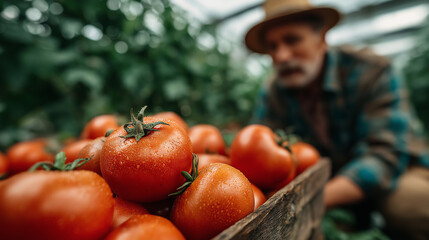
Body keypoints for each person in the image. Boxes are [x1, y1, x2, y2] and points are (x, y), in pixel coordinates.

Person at [245, 0, 429, 239]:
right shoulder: (273, 93)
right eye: (272, 46)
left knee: (407, 207)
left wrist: (310, 202)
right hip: (328, 183)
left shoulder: (371, 71)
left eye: (292, 40)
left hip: (397, 173)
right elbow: (256, 154)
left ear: (321, 39)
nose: (281, 56)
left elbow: (386, 155)